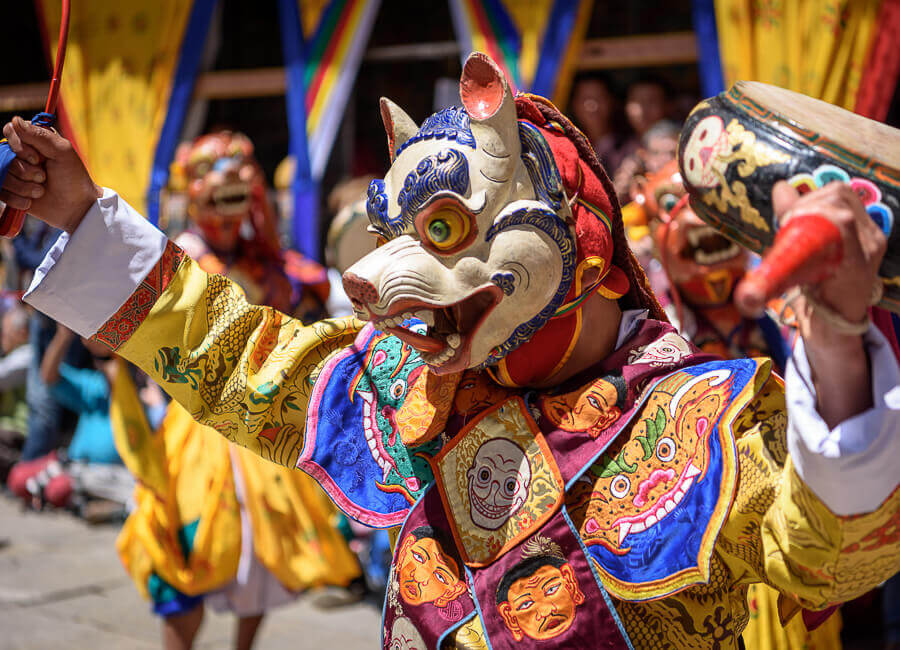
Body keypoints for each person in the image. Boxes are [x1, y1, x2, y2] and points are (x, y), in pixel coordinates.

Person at [2, 51, 898, 649]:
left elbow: (826, 558)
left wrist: (839, 350)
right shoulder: (404, 383)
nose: (376, 273)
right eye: (401, 230)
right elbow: (236, 356)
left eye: (443, 227)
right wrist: (84, 214)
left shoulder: (715, 420)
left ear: (580, 242)